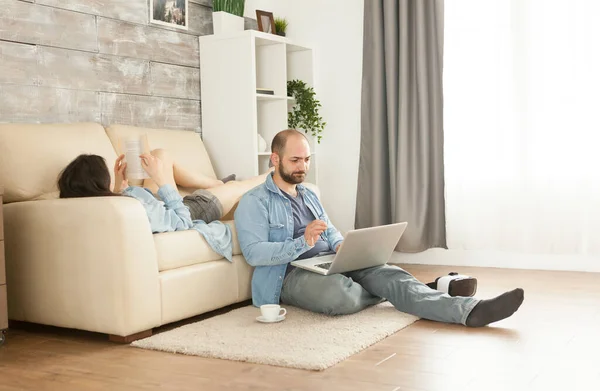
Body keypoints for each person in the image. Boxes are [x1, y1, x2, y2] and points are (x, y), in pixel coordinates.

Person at [234, 129, 525, 327]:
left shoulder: (308, 193)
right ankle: (416, 290)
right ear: (275, 159)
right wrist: (302, 243)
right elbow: (254, 254)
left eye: (307, 159)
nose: (303, 167)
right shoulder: (254, 201)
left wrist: (339, 246)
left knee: (391, 274)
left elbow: (330, 230)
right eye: (295, 160)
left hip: (329, 262)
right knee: (341, 295)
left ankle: (470, 312)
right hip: (290, 274)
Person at [57, 149, 271, 234]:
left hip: (157, 204)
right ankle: (274, 172)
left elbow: (133, 206)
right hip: (191, 209)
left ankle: (215, 183)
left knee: (159, 155)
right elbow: (183, 221)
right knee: (238, 187)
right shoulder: (132, 207)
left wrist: (119, 189)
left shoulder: (98, 207)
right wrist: (161, 180)